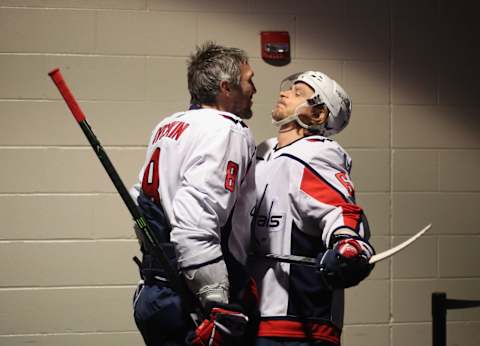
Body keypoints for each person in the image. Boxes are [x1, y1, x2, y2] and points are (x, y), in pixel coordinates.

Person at [130, 41, 258, 346]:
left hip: (153, 292)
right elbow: (196, 217)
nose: (255, 89)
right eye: (249, 79)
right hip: (192, 301)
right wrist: (216, 301)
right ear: (227, 88)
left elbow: (142, 205)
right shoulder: (227, 129)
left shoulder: (169, 125)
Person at [249, 71, 375, 346]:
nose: (284, 94)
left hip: (297, 323)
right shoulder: (262, 153)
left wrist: (349, 246)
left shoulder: (316, 154)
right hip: (255, 317)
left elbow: (340, 210)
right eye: (288, 89)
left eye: (298, 93)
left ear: (318, 115)